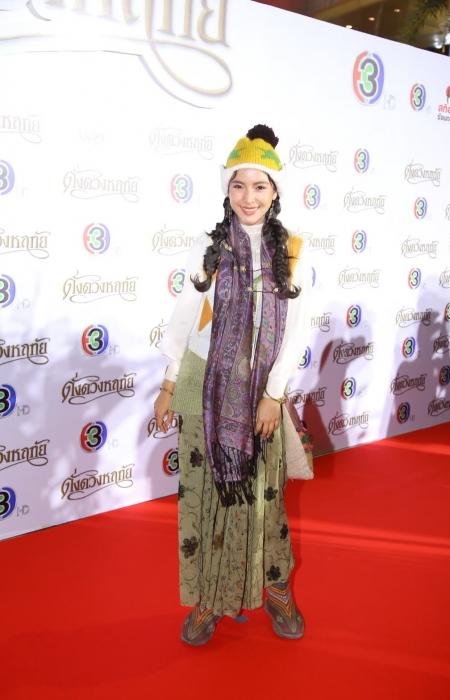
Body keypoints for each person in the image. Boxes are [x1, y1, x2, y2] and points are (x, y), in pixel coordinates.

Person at [154, 124, 311, 645]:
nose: (249, 197)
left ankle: (277, 589)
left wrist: (274, 394)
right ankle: (208, 598)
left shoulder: (292, 251)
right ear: (227, 189)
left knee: (266, 499)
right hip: (203, 385)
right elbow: (184, 319)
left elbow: (296, 331)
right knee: (204, 496)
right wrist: (169, 382)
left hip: (262, 391)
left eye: (259, 186)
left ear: (275, 192)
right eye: (239, 185)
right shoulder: (208, 248)